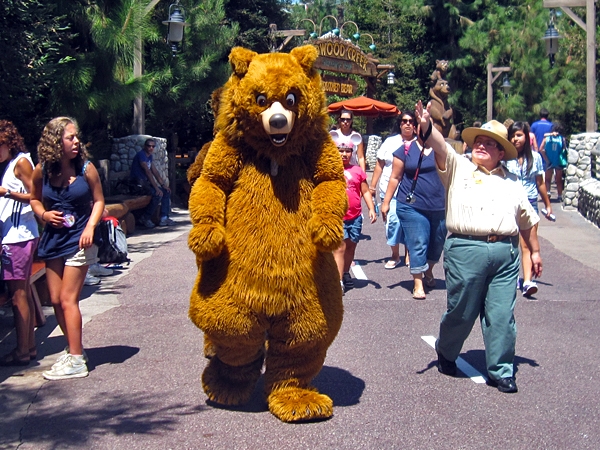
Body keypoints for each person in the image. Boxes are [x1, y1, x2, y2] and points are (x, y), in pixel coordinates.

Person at [416, 100, 542, 394]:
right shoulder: (458, 166)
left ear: (501, 152)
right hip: (465, 250)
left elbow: (527, 221)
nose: (481, 146)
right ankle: (447, 351)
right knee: (461, 312)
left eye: (489, 143)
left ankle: (501, 370)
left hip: (505, 254)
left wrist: (535, 251)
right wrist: (426, 126)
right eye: (478, 141)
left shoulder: (512, 181)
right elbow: (439, 145)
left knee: (501, 315)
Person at [30, 117, 105, 380]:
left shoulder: (86, 168)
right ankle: (75, 349)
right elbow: (34, 198)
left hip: (79, 239)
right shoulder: (42, 170)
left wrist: (90, 228)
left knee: (67, 298)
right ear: (55, 141)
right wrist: (43, 214)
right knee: (55, 299)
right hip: (54, 239)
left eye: (76, 137)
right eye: (70, 137)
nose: (76, 142)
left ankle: (75, 360)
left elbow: (99, 201)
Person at [381, 111, 447, 300]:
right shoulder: (405, 149)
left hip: (439, 205)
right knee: (417, 242)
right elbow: (395, 177)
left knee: (437, 243)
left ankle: (429, 269)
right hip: (411, 205)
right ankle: (418, 283)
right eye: (421, 125)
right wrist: (386, 202)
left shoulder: (441, 149)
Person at [0, 121, 39, 366]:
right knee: (23, 292)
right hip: (17, 236)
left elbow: (36, 195)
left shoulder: (21, 162)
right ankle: (29, 347)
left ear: (9, 142)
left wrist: (6, 193)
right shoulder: (11, 164)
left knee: (18, 296)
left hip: (18, 237)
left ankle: (22, 351)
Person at [506, 122, 552, 297]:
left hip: (530, 203)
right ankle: (510, 278)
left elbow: (540, 183)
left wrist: (547, 204)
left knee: (527, 243)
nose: (515, 139)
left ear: (526, 137)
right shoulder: (505, 158)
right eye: (512, 136)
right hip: (510, 204)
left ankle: (527, 281)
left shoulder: (536, 157)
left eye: (519, 135)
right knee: (510, 243)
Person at [332, 141, 376, 293]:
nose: (344, 154)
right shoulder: (331, 170)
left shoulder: (357, 171)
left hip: (355, 216)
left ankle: (344, 273)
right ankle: (337, 282)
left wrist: (371, 208)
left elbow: (365, 191)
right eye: (340, 150)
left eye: (347, 151)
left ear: (352, 153)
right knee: (340, 248)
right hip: (338, 217)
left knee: (351, 247)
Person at [369, 114, 411, 269]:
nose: (407, 124)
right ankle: (395, 254)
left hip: (410, 192)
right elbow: (379, 165)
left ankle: (409, 254)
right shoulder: (390, 142)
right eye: (404, 121)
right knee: (392, 223)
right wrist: (372, 186)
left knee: (410, 224)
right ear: (400, 124)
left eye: (411, 121)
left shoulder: (419, 143)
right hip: (388, 191)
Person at [130, 139, 174, 228]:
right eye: (149, 146)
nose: (151, 148)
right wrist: (156, 188)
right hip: (138, 185)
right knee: (157, 194)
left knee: (166, 192)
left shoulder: (149, 156)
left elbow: (155, 172)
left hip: (145, 184)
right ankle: (145, 218)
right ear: (145, 146)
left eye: (153, 146)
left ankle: (164, 218)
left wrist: (163, 185)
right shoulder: (141, 155)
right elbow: (148, 172)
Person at [540, 121, 568, 202]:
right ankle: (559, 195)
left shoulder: (546, 138)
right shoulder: (562, 139)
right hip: (558, 161)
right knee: (558, 180)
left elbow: (541, 149)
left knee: (547, 179)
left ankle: (548, 192)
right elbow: (564, 150)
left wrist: (546, 158)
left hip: (549, 161)